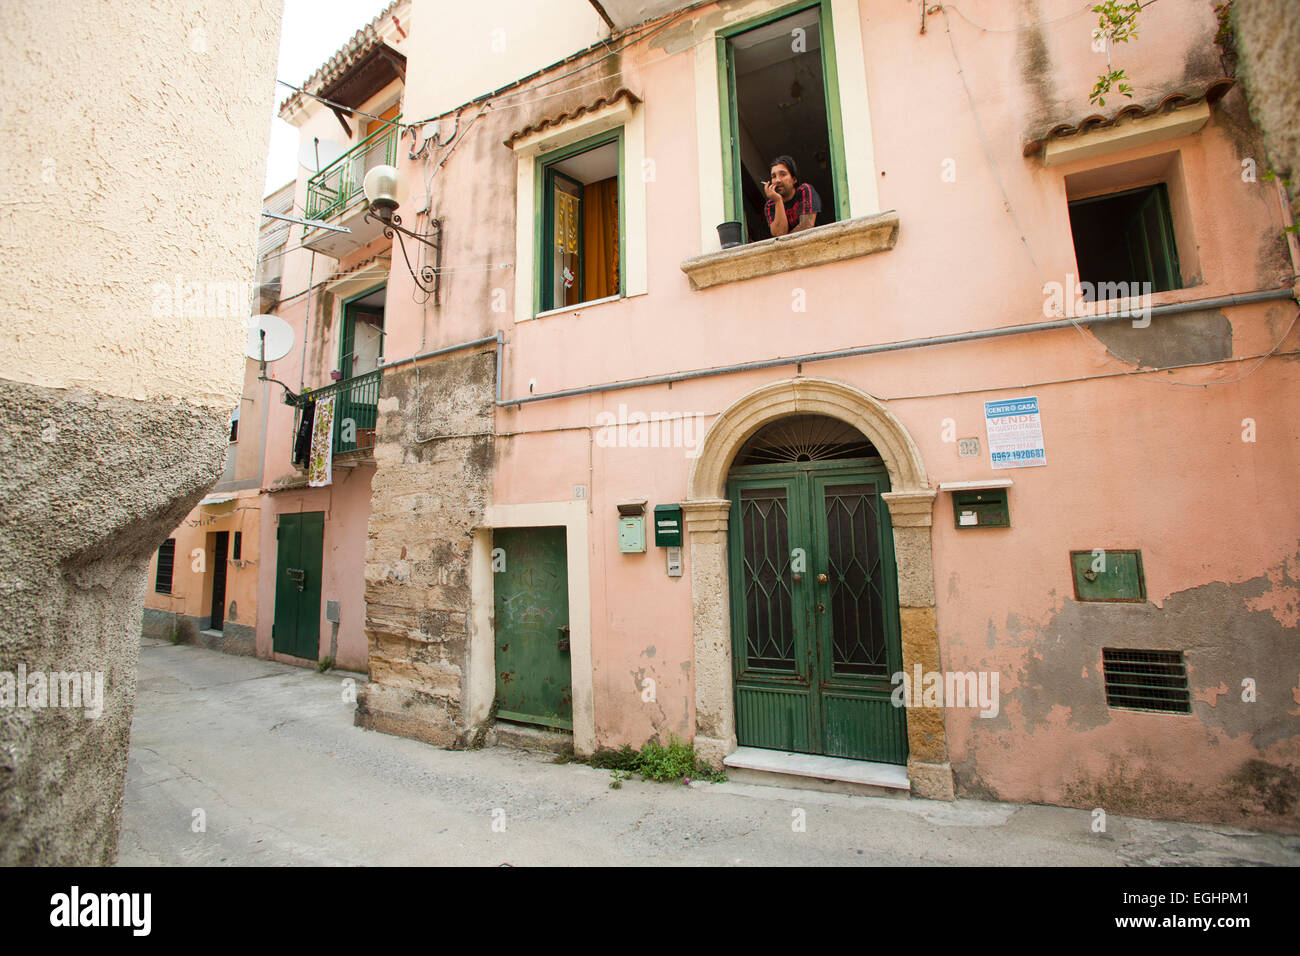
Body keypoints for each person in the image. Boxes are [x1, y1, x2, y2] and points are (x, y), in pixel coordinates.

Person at [763, 154, 820, 237]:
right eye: (774, 176)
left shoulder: (804, 191)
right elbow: (779, 234)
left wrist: (784, 240)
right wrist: (778, 200)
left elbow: (806, 227)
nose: (778, 180)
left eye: (783, 174)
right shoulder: (770, 205)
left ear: (794, 179)